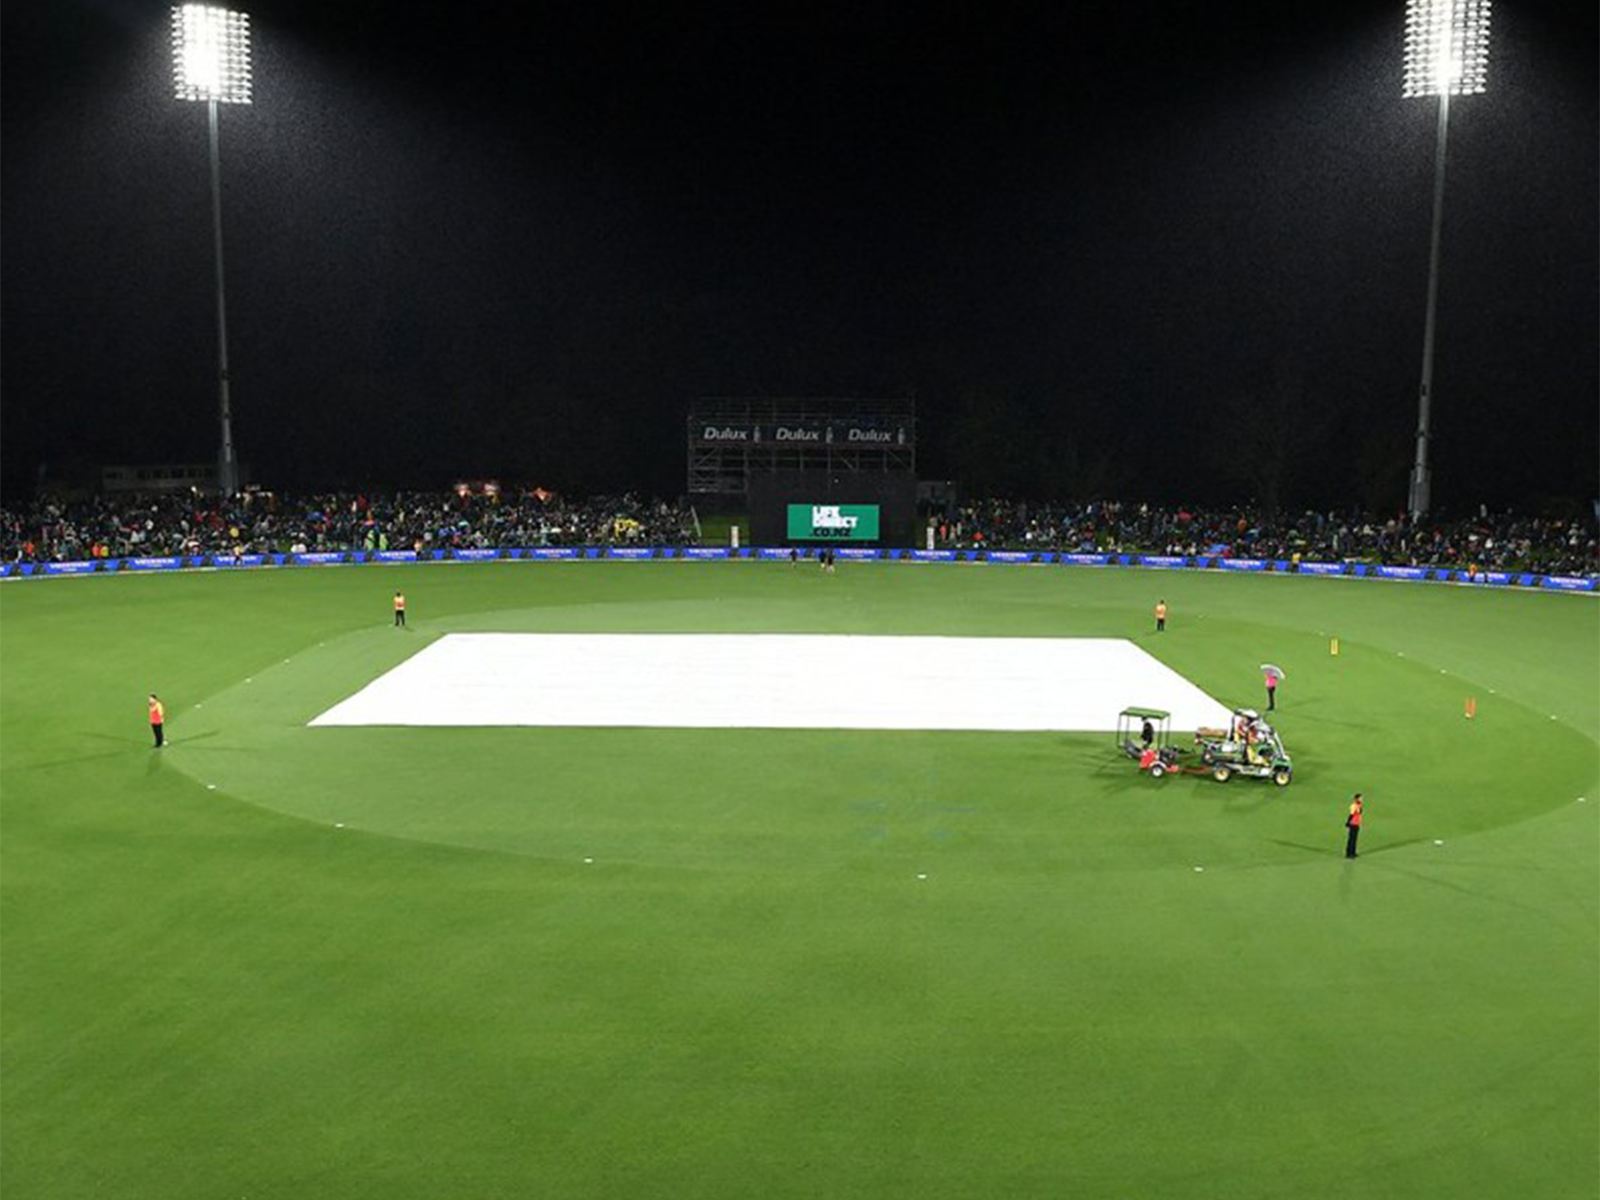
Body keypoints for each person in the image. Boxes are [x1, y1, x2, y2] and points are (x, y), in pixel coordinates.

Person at [1345, 793, 1364, 858]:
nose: (1361, 799)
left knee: (1355, 839)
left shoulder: (1359, 805)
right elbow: (1351, 815)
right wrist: (1348, 822)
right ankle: (1348, 853)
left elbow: (1359, 814)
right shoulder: (1354, 806)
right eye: (1360, 798)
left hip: (1357, 823)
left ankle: (1353, 852)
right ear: (1357, 798)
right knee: (1351, 839)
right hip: (1352, 823)